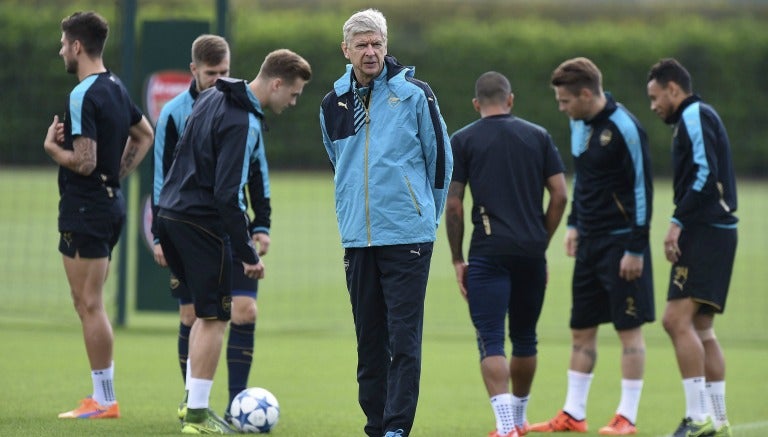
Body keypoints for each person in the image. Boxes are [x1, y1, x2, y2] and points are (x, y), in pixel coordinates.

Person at [156, 48, 311, 434]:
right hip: (201, 224)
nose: (292, 103)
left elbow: (180, 158)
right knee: (214, 317)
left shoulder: (212, 95)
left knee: (199, 315)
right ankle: (197, 417)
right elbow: (227, 196)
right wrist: (248, 255)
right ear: (276, 83)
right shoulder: (242, 121)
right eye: (292, 95)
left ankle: (192, 405)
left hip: (171, 216)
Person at [319, 8, 452, 437]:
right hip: (358, 239)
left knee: (404, 341)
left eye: (377, 43)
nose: (370, 51)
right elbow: (339, 163)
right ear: (346, 50)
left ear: (386, 46)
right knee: (369, 342)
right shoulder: (332, 103)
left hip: (408, 237)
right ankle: (375, 425)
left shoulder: (416, 94)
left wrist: (422, 218)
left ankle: (397, 427)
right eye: (362, 44)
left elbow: (440, 162)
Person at [529, 57, 654, 435]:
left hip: (622, 246)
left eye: (565, 101)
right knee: (581, 328)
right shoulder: (578, 123)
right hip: (590, 244)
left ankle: (627, 417)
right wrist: (573, 224)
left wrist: (636, 248)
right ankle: (573, 413)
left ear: (585, 93)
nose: (561, 108)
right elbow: (581, 177)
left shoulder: (626, 128)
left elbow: (642, 191)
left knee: (627, 329)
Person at [150, 34, 270, 423]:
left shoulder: (242, 110)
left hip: (232, 225)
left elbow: (256, 171)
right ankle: (194, 403)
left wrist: (262, 223)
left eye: (225, 73)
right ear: (194, 71)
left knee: (244, 310)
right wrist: (158, 235)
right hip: (191, 226)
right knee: (194, 315)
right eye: (211, 73)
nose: (219, 80)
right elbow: (162, 177)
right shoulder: (174, 112)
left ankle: (237, 406)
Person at [44, 11, 154, 419]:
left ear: (76, 46)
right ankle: (101, 398)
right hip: (107, 205)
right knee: (88, 302)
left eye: (62, 44)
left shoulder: (83, 93)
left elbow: (85, 162)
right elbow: (145, 134)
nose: (60, 51)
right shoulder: (115, 86)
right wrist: (117, 175)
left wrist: (54, 151)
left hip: (86, 207)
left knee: (90, 304)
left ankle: (104, 400)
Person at [445, 71, 568, 437]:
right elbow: (560, 196)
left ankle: (504, 426)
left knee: (491, 338)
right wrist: (540, 245)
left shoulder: (463, 140)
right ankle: (519, 419)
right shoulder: (538, 136)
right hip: (531, 253)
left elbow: (454, 205)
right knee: (526, 336)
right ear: (510, 100)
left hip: (488, 251)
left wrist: (456, 258)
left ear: (475, 104)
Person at [647, 58, 737, 437]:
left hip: (704, 230)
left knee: (674, 320)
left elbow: (705, 172)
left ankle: (697, 417)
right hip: (718, 231)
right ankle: (717, 421)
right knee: (702, 326)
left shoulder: (694, 114)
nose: (653, 106)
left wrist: (677, 222)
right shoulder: (697, 116)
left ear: (673, 88)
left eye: (655, 97)